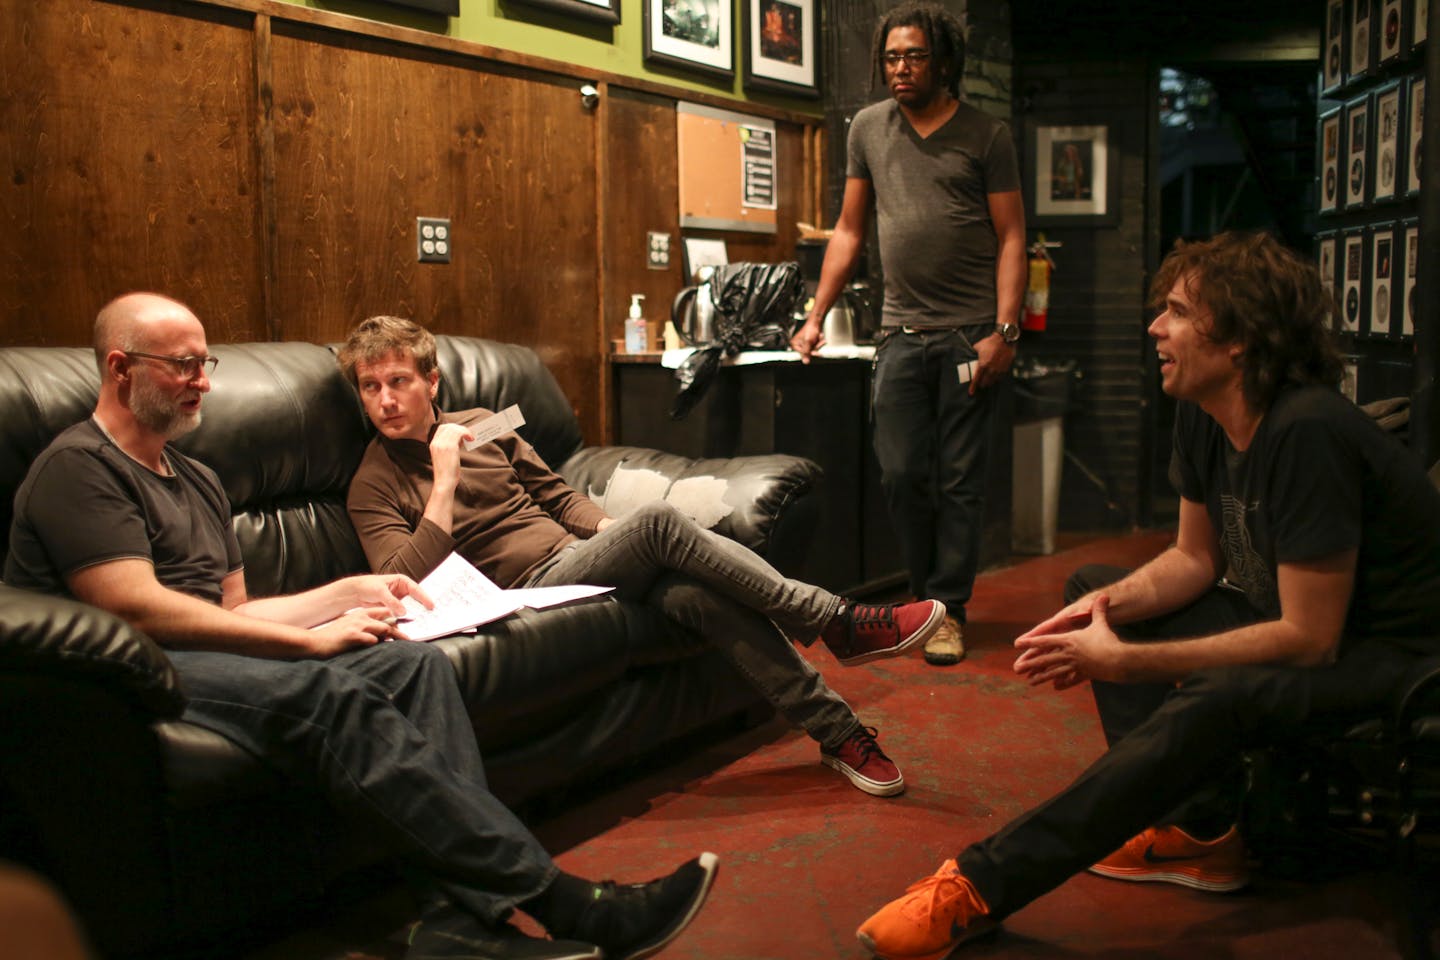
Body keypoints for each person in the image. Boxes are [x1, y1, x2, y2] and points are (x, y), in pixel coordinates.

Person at [5, 293, 720, 960]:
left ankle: (455, 922)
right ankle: (571, 904)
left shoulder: (197, 479)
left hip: (208, 651)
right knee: (328, 690)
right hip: (137, 676)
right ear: (120, 370)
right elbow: (138, 610)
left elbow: (231, 613)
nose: (203, 382)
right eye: (184, 366)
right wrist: (306, 642)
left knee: (413, 663)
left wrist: (345, 594)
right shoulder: (80, 467)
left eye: (205, 363)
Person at [854, 231, 1440, 958]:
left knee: (1217, 693)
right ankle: (1199, 831)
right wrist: (1101, 616)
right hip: (1311, 625)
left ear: (1240, 341)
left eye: (1179, 313)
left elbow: (1310, 638)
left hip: (1392, 654)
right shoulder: (1204, 410)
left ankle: (978, 885)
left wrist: (1124, 663)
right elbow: (1194, 559)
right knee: (1096, 592)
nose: (1155, 328)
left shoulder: (1306, 429)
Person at [338, 315, 947, 799]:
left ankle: (838, 732)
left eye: (399, 381)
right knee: (657, 522)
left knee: (692, 592)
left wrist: (611, 538)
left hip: (580, 560)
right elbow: (403, 579)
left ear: (432, 382)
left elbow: (555, 494)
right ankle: (833, 619)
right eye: (372, 387)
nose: (386, 400)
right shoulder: (372, 480)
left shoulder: (485, 424)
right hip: (523, 591)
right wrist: (443, 481)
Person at [789, 0, 1027, 668]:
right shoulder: (868, 128)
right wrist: (813, 317)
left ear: (943, 61)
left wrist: (1004, 332)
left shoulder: (987, 135)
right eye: (891, 56)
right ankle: (926, 603)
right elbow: (849, 231)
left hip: (968, 335)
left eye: (914, 56)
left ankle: (945, 610)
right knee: (898, 473)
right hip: (899, 334)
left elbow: (1013, 236)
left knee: (959, 481)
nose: (900, 68)